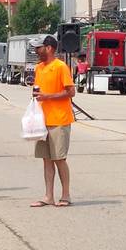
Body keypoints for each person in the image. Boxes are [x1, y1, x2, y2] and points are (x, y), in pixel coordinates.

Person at [30, 35, 75, 208]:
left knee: (59, 158)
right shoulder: (38, 68)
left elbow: (71, 92)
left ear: (49, 48)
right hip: (42, 119)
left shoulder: (60, 67)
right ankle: (48, 195)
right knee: (46, 159)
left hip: (59, 119)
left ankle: (66, 195)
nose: (36, 51)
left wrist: (48, 96)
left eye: (39, 47)